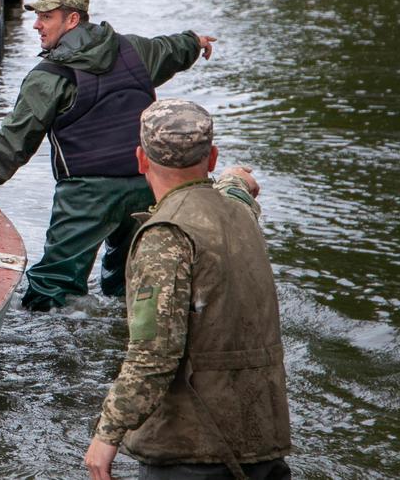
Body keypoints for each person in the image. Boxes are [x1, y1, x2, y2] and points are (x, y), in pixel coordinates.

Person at [84, 100, 291, 480]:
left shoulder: (165, 235)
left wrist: (107, 434)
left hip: (195, 453)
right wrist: (236, 178)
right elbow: (236, 195)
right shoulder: (240, 215)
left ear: (140, 160)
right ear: (211, 158)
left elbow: (154, 353)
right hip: (263, 441)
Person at [0, 0, 216, 312]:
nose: (37, 24)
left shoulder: (49, 76)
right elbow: (171, 49)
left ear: (72, 19)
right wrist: (195, 42)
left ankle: (58, 354)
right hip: (147, 186)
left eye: (46, 17)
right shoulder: (134, 51)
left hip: (85, 197)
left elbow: (12, 147)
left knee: (51, 294)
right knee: (132, 286)